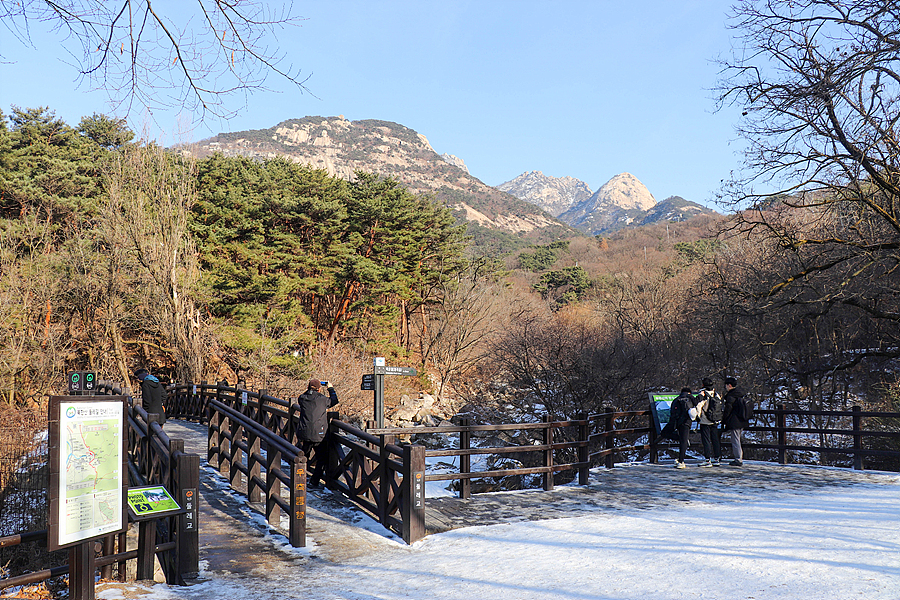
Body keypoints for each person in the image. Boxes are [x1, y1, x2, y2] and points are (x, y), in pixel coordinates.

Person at [297, 378, 339, 488]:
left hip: (304, 433)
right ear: (320, 389)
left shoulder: (302, 398)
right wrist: (330, 388)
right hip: (319, 435)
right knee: (322, 459)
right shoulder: (323, 400)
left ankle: (299, 478)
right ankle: (314, 481)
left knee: (302, 457)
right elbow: (334, 400)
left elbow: (305, 396)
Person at [722, 376, 750, 466]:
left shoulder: (731, 396)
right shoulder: (741, 393)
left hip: (735, 421)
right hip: (743, 419)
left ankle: (738, 459)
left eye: (726, 385)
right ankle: (739, 457)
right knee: (738, 439)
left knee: (735, 440)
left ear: (729, 385)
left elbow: (728, 410)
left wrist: (724, 420)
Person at [694, 377, 722, 467]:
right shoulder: (716, 394)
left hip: (705, 421)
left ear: (703, 385)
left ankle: (707, 460)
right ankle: (717, 458)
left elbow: (699, 406)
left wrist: (698, 417)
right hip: (714, 420)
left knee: (706, 440)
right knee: (715, 440)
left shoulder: (703, 394)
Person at [670, 387, 695, 469]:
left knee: (682, 440)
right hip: (686, 422)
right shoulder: (690, 399)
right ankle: (681, 461)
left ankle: (680, 460)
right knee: (683, 441)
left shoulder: (676, 399)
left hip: (677, 422)